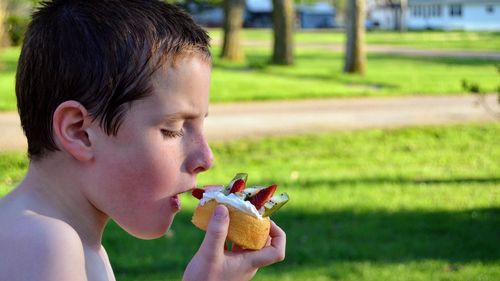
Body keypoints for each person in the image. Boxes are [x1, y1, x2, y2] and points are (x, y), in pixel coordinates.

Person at [0, 0, 286, 280]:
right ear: (79, 131)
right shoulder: (46, 244)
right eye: (172, 129)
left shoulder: (65, 239)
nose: (206, 158)